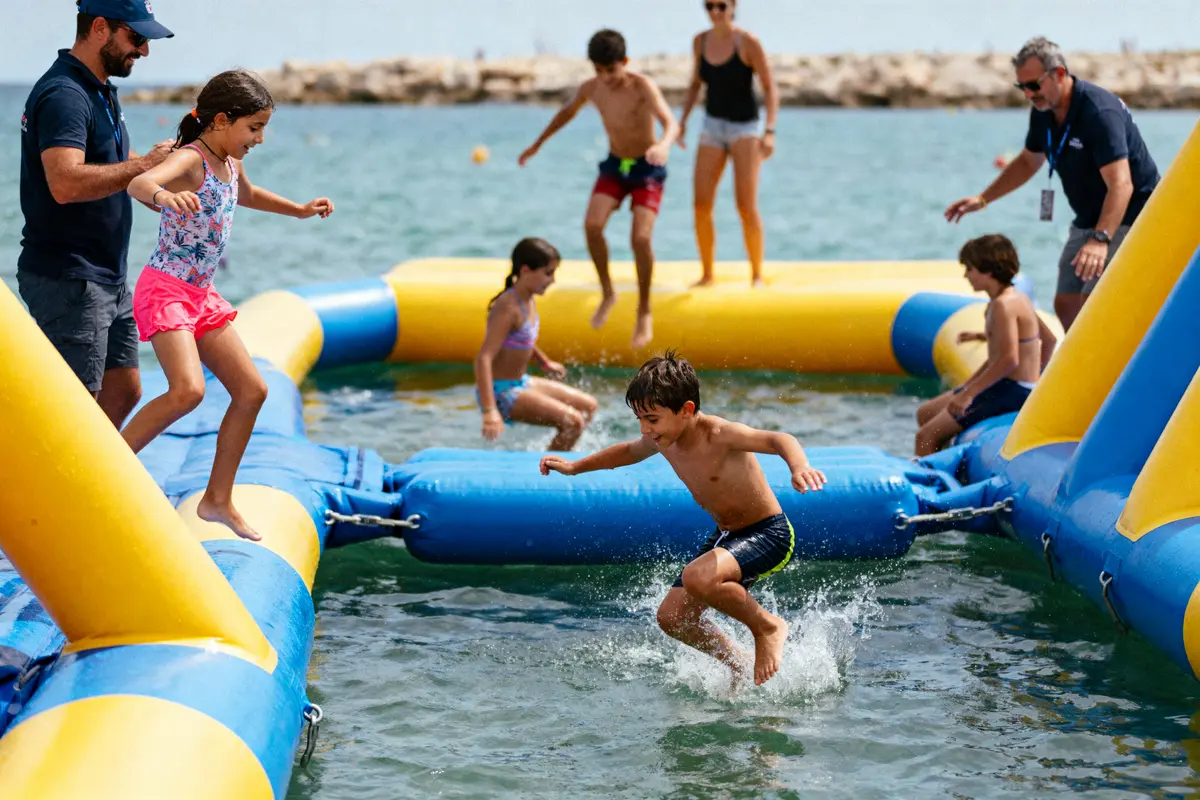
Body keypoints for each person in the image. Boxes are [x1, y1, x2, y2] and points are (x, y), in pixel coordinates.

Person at [121, 70, 335, 540]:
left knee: (253, 390)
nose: (259, 138)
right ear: (221, 120)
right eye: (254, 128)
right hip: (166, 290)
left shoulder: (231, 164)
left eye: (262, 128)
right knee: (188, 392)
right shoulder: (191, 159)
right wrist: (163, 194)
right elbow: (139, 184)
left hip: (201, 296)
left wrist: (299, 209)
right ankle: (112, 465)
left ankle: (217, 499)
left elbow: (251, 195)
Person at [539, 351, 827, 686]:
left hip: (769, 534)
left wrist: (799, 467)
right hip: (728, 536)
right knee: (673, 617)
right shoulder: (664, 439)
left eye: (652, 418)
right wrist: (576, 466)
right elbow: (628, 452)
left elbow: (780, 439)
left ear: (687, 410)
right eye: (640, 420)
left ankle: (767, 627)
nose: (646, 429)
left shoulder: (719, 434)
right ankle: (738, 664)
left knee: (698, 577)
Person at [17, 0, 176, 427]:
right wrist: (142, 168)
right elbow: (65, 182)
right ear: (101, 28)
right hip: (69, 278)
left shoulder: (98, 88)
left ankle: (86, 488)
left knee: (125, 389)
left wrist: (174, 180)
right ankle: (47, 489)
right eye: (137, 38)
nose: (143, 51)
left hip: (105, 275)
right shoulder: (65, 94)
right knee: (76, 411)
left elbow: (115, 160)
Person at [944, 36, 1160, 332]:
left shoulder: (1099, 113)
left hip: (1130, 215)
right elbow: (1028, 162)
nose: (1028, 95)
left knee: (1092, 299)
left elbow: (1121, 185)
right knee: (1066, 301)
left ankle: (1113, 367)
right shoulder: (1044, 110)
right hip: (1089, 218)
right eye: (1022, 87)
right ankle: (1085, 364)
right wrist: (982, 199)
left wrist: (1100, 240)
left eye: (1033, 85)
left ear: (1059, 74)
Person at [519, 30, 681, 350]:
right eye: (598, 70)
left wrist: (663, 146)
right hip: (615, 166)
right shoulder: (591, 88)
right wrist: (537, 144)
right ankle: (608, 292)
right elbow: (565, 113)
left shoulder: (641, 86)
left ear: (625, 62)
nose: (605, 78)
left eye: (611, 70)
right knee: (592, 226)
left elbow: (671, 122)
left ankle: (644, 309)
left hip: (647, 168)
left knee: (641, 239)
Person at [915, 235, 1056, 456]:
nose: (966, 275)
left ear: (988, 271)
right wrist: (1035, 380)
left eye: (969, 269)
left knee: (925, 436)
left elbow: (1009, 359)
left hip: (1010, 390)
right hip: (1014, 386)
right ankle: (940, 466)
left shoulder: (1003, 305)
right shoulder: (1016, 298)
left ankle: (928, 486)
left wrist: (968, 394)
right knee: (925, 413)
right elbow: (1048, 340)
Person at [678, 0, 779, 287]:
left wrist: (769, 131)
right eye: (709, 6)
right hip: (712, 125)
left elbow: (770, 88)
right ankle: (708, 274)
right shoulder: (699, 41)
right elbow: (695, 84)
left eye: (721, 6)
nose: (715, 13)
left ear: (733, 7)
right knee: (700, 204)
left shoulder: (747, 43)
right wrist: (682, 121)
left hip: (745, 127)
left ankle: (757, 274)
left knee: (745, 205)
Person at [475, 238, 599, 451]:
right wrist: (489, 412)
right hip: (501, 393)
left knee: (588, 407)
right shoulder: (507, 307)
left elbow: (521, 340)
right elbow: (483, 358)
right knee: (572, 422)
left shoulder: (528, 299)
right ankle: (548, 472)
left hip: (521, 382)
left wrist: (544, 362)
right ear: (525, 271)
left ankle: (560, 452)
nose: (552, 280)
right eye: (548, 273)